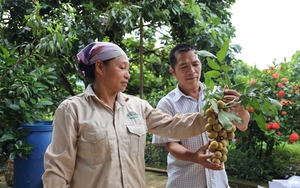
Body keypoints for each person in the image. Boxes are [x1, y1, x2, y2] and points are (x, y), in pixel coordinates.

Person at [42, 42, 223, 188]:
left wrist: (218, 111)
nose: (128, 75)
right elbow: (57, 170)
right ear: (100, 67)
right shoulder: (72, 110)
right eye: (122, 67)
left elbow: (174, 126)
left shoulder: (138, 107)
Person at [152, 43, 250, 188]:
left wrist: (240, 108)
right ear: (173, 72)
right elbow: (172, 144)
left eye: (195, 64)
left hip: (218, 182)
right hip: (184, 182)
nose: (192, 71)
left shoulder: (218, 95)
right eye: (184, 67)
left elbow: (243, 125)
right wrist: (194, 157)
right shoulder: (167, 104)